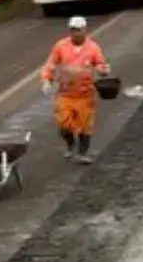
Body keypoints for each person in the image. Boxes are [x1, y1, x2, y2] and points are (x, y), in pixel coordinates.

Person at [40, 16, 110, 164]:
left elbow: (101, 65)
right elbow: (50, 65)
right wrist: (46, 81)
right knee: (64, 125)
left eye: (78, 30)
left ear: (85, 30)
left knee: (85, 126)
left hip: (85, 94)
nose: (75, 33)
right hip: (65, 94)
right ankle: (70, 143)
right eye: (72, 30)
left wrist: (103, 70)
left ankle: (83, 153)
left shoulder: (93, 48)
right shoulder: (60, 46)